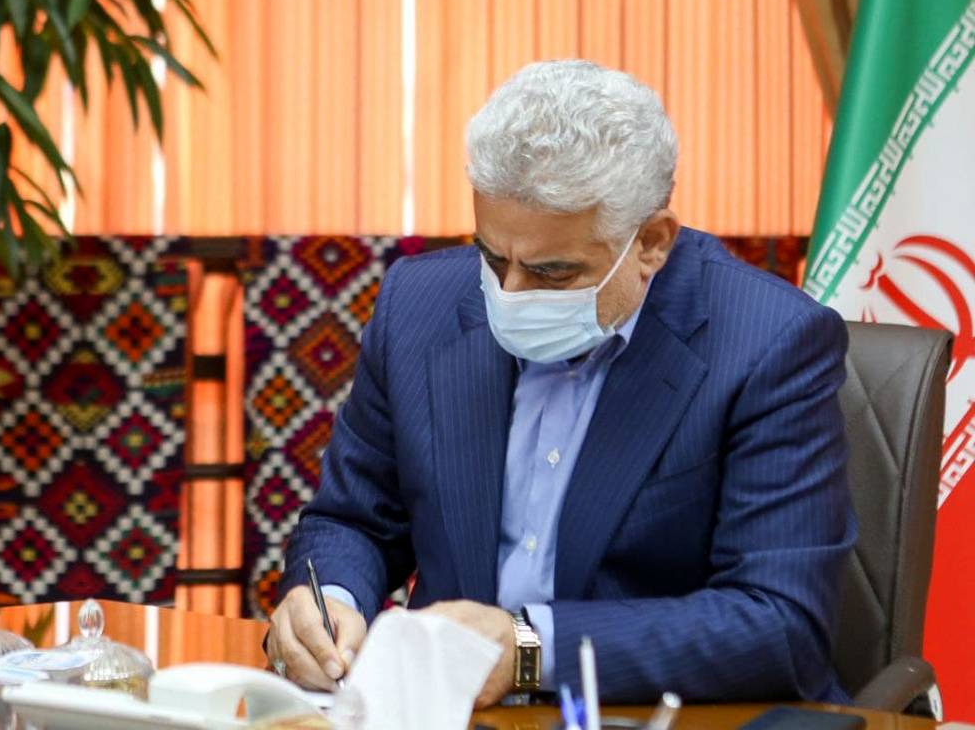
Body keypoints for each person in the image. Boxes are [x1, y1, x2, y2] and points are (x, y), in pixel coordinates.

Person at [265, 60, 856, 707]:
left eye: (552, 272)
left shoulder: (769, 343)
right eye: (493, 257)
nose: (509, 294)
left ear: (651, 243)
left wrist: (529, 649)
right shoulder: (418, 305)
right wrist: (328, 602)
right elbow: (353, 520)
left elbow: (778, 624)